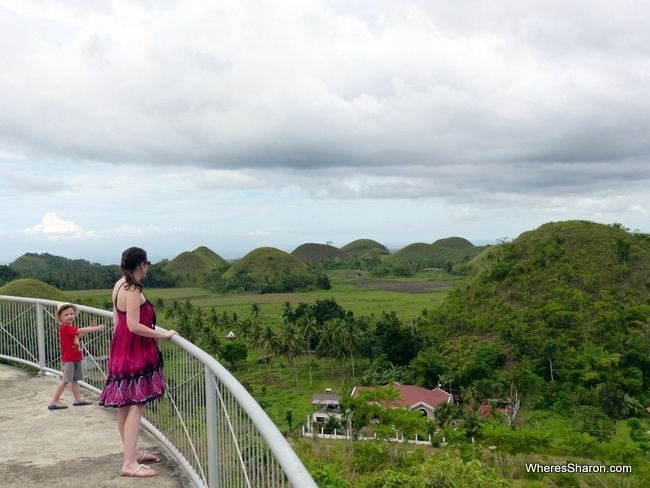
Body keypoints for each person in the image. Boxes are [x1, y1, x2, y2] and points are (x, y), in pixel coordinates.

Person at [99, 247, 178, 478]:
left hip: (123, 347)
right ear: (142, 264)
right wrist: (163, 335)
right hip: (135, 350)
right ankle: (129, 463)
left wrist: (118, 349)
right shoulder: (132, 289)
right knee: (137, 404)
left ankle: (131, 453)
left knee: (125, 404)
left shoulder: (119, 284)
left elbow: (118, 320)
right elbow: (133, 325)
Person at [49, 302, 106, 410]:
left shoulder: (70, 328)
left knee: (75, 380)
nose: (70, 316)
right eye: (66, 315)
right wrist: (96, 328)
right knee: (66, 380)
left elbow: (78, 335)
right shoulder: (64, 328)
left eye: (71, 313)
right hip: (69, 359)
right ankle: (54, 400)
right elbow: (79, 331)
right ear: (60, 318)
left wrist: (89, 328)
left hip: (75, 357)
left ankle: (78, 399)